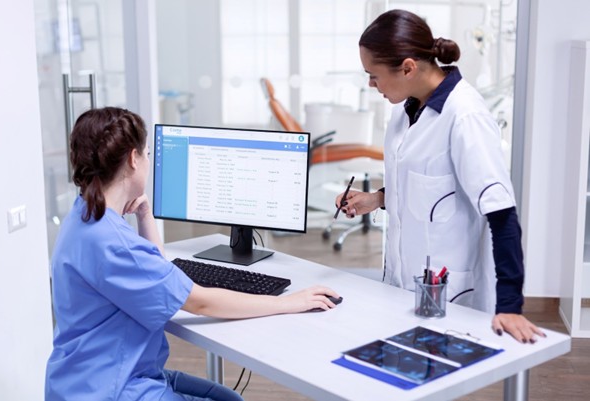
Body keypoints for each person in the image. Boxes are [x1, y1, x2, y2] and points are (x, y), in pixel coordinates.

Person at [45, 107, 340, 401]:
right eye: (147, 154)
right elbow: (201, 303)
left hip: (80, 379)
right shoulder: (115, 244)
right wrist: (291, 302)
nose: (149, 160)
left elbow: (154, 271)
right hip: (113, 388)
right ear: (133, 159)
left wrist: (144, 215)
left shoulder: (83, 215)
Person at [336, 9, 544, 344]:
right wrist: (375, 199)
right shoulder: (403, 111)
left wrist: (510, 305)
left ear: (408, 67)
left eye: (373, 75)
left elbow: (502, 215)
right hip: (399, 286)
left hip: (449, 295)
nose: (371, 84)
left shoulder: (465, 117)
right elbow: (429, 185)